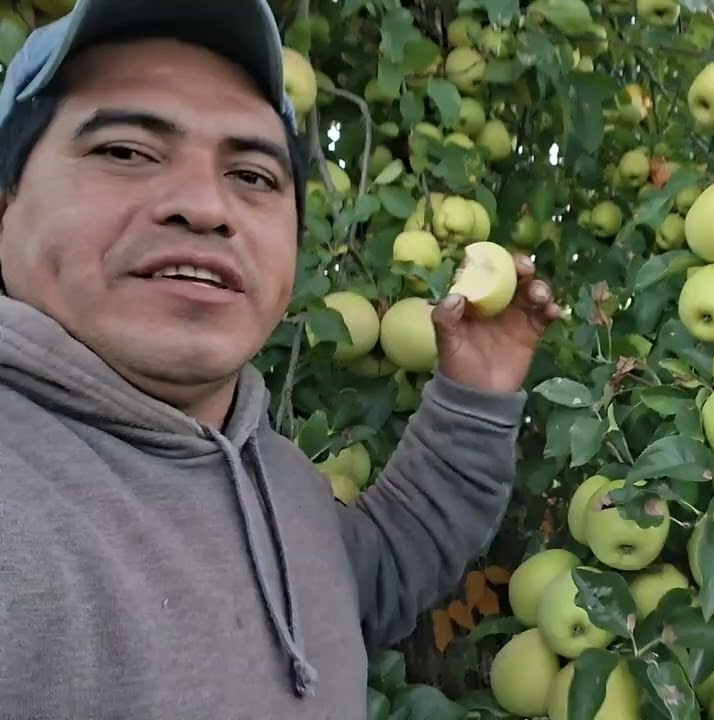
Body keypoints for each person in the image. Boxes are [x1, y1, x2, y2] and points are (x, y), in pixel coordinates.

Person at [0, 0, 559, 717]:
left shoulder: (282, 484)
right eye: (126, 152)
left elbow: (372, 575)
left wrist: (474, 395)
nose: (205, 205)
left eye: (254, 176)